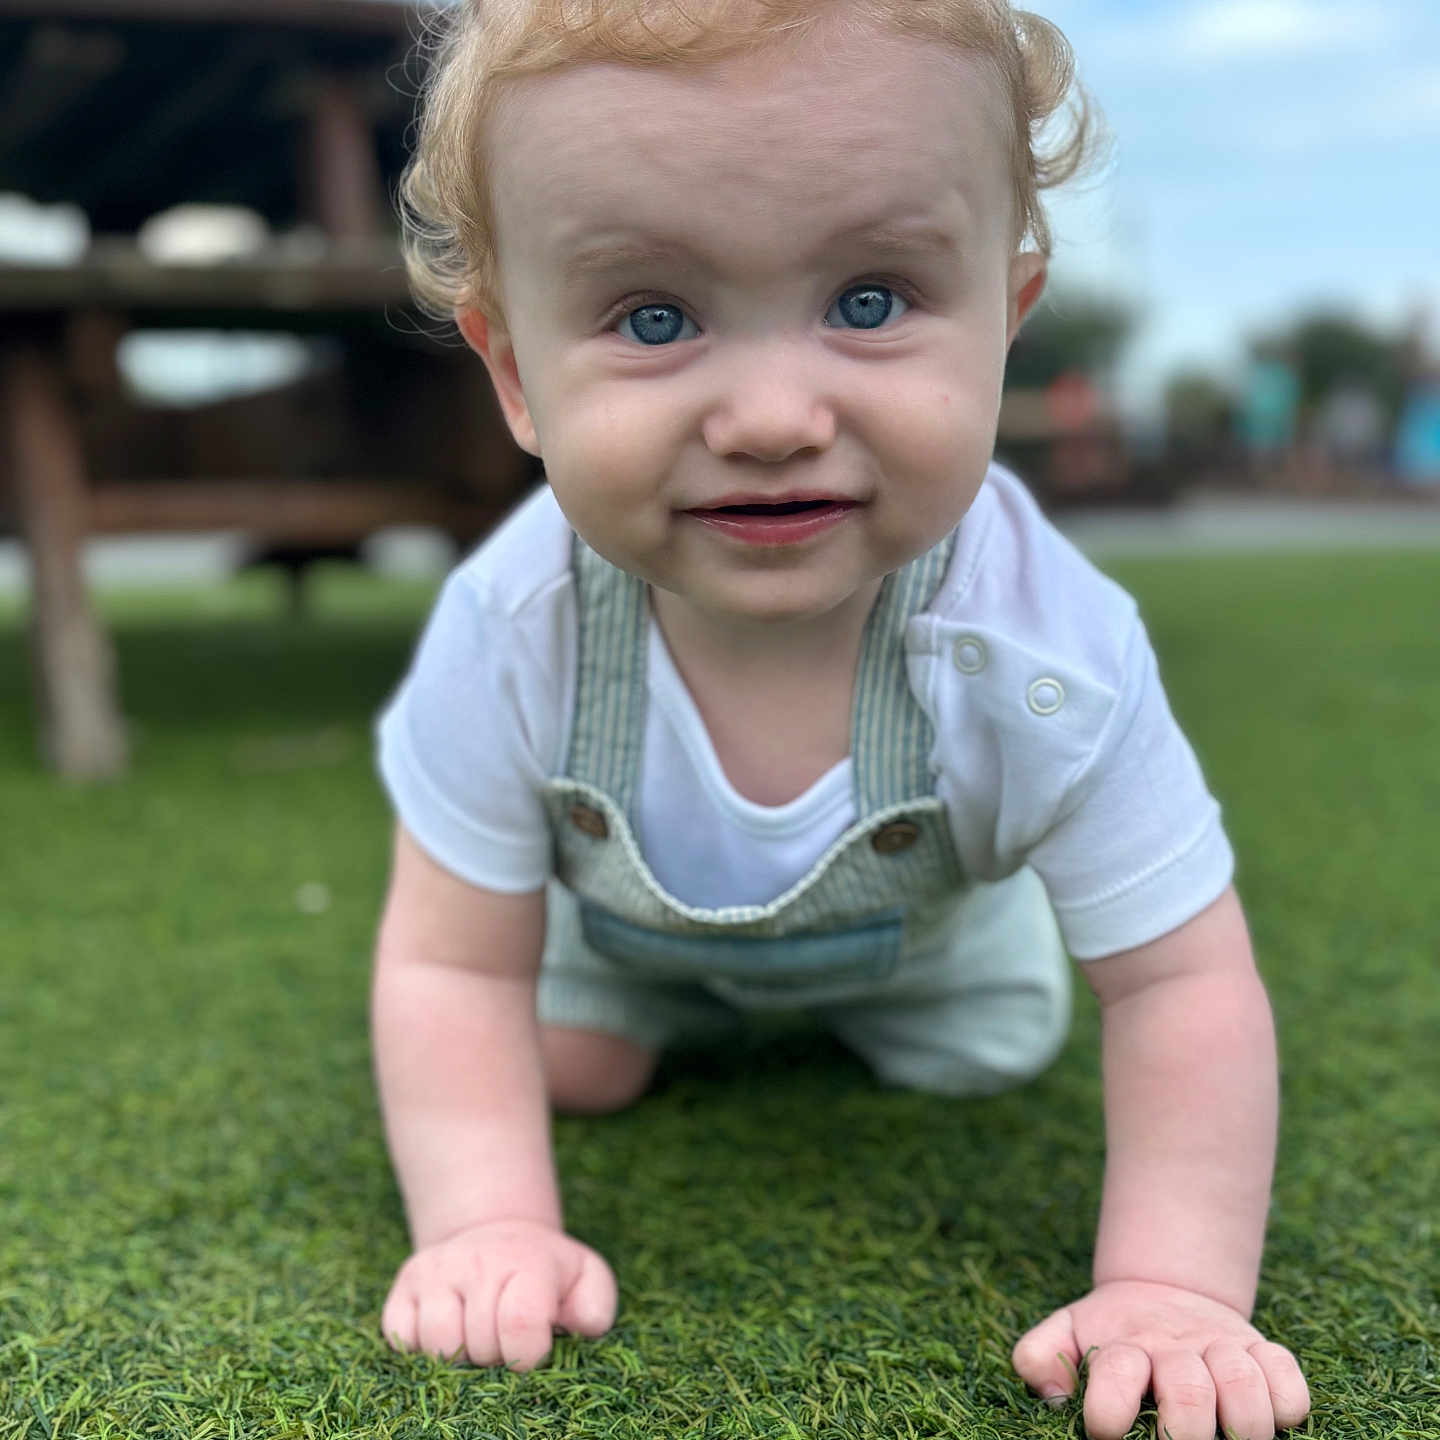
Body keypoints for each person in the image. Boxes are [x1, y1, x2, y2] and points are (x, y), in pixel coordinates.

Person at [370, 3, 1312, 1437]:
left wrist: (1177, 1288)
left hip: (935, 958)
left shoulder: (1051, 653)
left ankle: (910, 993)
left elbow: (1182, 986)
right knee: (546, 1069)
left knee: (990, 1056)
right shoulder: (513, 634)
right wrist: (486, 1224)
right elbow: (448, 968)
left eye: (869, 300)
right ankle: (655, 1017)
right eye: (655, 317)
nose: (768, 416)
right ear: (514, 373)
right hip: (625, 947)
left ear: (1010, 318)